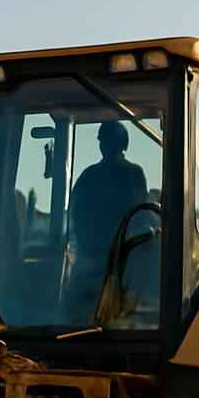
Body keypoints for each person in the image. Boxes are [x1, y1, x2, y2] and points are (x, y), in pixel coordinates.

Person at [63, 121, 148, 322]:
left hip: (117, 261)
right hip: (107, 260)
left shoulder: (93, 176)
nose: (104, 144)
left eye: (107, 139)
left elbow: (138, 216)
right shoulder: (131, 174)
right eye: (103, 140)